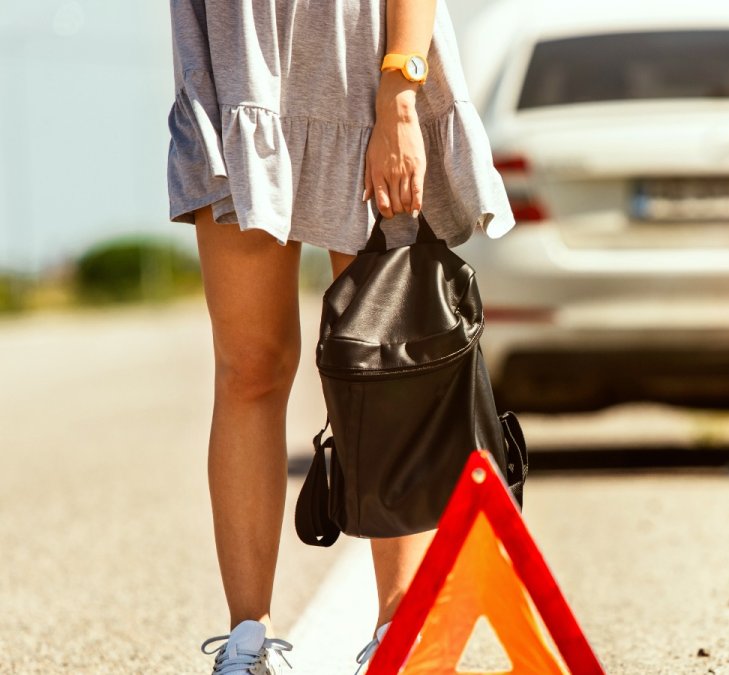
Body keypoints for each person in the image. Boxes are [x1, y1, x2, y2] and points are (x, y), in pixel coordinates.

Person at [166, 0, 513, 672]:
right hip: (241, 78)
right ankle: (247, 639)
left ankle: (400, 632)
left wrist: (401, 93)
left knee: (390, 364)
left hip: (369, 73)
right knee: (249, 367)